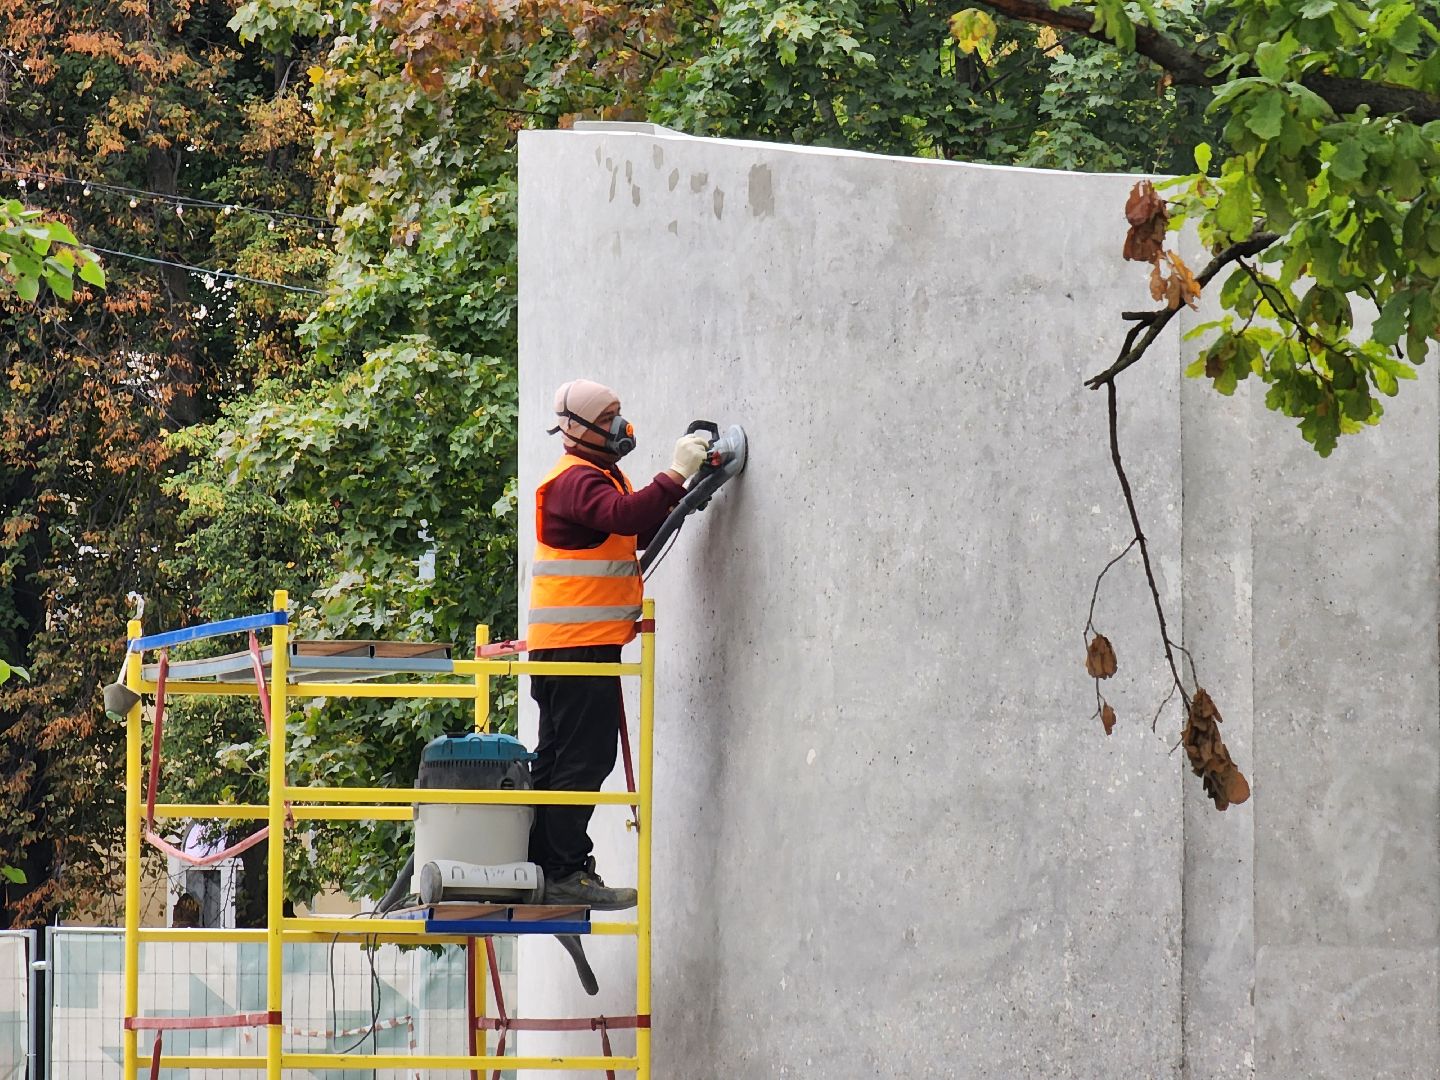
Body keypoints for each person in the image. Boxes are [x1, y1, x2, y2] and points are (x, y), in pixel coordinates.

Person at [527, 379, 709, 909]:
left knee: (560, 759)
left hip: (572, 646)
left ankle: (546, 864)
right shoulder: (576, 481)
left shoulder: (598, 478)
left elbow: (634, 529)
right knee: (584, 760)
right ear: (580, 429)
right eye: (609, 417)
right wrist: (675, 474)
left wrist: (681, 494)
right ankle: (561, 870)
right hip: (577, 647)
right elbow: (623, 517)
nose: (619, 426)